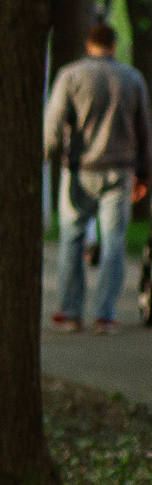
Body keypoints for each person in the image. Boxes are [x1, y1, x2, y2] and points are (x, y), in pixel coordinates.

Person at [44, 21, 151, 334]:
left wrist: (50, 156)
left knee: (72, 240)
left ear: (88, 44)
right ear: (114, 45)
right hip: (120, 171)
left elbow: (52, 127)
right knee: (114, 242)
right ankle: (105, 315)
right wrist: (145, 174)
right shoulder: (133, 78)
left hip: (78, 170)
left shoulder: (70, 76)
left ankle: (71, 312)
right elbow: (145, 130)